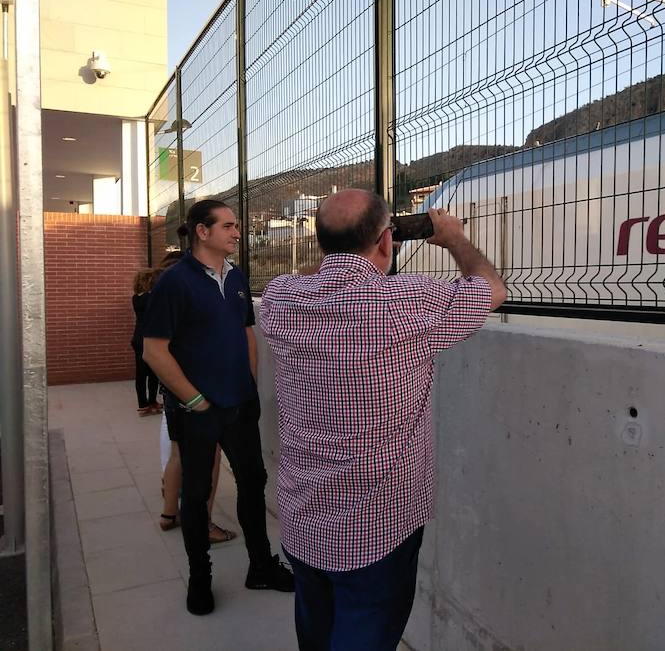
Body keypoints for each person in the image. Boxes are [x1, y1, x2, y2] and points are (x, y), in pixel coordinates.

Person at [260, 189, 507, 650]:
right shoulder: (410, 304)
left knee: (315, 632)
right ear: (387, 241)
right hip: (376, 529)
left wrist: (342, 258)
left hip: (302, 517)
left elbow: (316, 276)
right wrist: (453, 239)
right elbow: (492, 289)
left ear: (321, 243)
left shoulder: (280, 299)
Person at [142, 200, 293, 616]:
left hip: (240, 405)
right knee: (196, 493)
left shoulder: (237, 277)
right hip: (199, 410)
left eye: (237, 225)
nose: (237, 232)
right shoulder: (175, 282)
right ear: (202, 232)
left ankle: (261, 566)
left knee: (253, 483)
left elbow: (247, 334)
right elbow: (153, 350)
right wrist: (194, 400)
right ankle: (199, 578)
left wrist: (248, 386)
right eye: (228, 226)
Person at [152, 250, 235, 545]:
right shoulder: (181, 297)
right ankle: (204, 525)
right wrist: (198, 400)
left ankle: (168, 513)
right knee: (208, 458)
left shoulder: (160, 300)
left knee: (177, 454)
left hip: (174, 391)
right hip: (194, 391)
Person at [131, 268, 161, 416]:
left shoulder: (136, 297)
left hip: (139, 337)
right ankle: (146, 404)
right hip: (146, 339)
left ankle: (148, 402)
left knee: (146, 373)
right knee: (148, 372)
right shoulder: (148, 297)